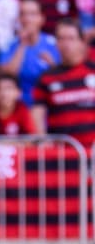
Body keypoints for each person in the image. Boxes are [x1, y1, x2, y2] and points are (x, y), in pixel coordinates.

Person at [32, 18, 95, 148]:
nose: (66, 44)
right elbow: (37, 113)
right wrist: (43, 140)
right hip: (61, 155)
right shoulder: (47, 78)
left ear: (82, 42)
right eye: (61, 39)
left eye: (71, 38)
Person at [0, 0, 60, 107]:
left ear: (42, 19)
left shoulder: (54, 44)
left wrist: (52, 64)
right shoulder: (9, 45)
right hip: (18, 106)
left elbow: (64, 77)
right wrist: (22, 45)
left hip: (48, 104)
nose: (27, 19)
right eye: (23, 14)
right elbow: (8, 76)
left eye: (32, 14)